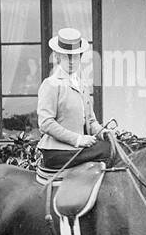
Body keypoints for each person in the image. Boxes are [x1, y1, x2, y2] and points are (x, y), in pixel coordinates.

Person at [36, 27, 110, 172]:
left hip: (77, 150)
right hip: (57, 151)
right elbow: (45, 123)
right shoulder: (51, 84)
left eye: (75, 56)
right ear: (57, 57)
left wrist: (103, 132)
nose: (71, 61)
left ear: (81, 57)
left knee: (113, 146)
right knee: (107, 151)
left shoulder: (82, 85)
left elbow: (90, 121)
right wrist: (78, 139)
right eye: (66, 56)